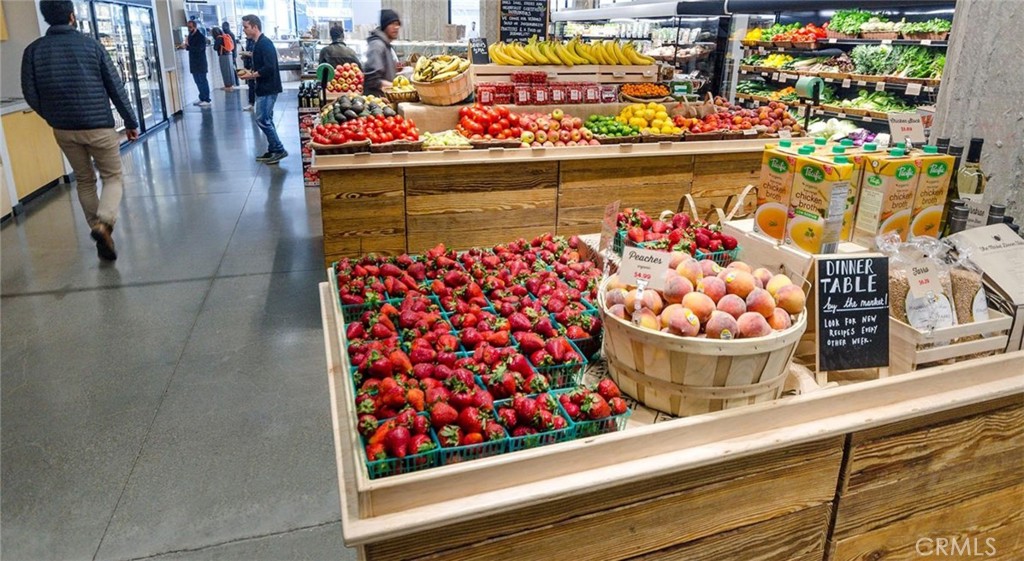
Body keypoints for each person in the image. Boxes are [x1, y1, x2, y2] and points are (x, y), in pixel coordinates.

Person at [22, 0, 139, 261]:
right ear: (72, 16)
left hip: (64, 129)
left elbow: (30, 92)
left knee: (85, 180)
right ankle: (104, 224)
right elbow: (115, 87)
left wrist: (52, 116)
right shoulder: (91, 45)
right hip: (99, 126)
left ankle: (98, 232)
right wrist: (131, 122)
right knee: (112, 177)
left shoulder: (33, 51)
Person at [237, 14, 286, 164]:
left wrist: (251, 75)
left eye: (246, 27)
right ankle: (272, 149)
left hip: (268, 87)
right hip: (263, 87)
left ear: (255, 27)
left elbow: (269, 67)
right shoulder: (258, 43)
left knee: (262, 119)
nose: (244, 30)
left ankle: (278, 149)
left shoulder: (265, 43)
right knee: (267, 118)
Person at [364, 9, 400, 97]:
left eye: (398, 24)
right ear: (384, 26)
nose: (396, 27)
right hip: (377, 103)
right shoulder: (377, 45)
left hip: (386, 100)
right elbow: (372, 80)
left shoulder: (386, 45)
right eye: (392, 24)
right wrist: (397, 88)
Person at [180, 20, 211, 106]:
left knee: (202, 81)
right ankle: (202, 97)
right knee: (197, 81)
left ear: (195, 27)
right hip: (193, 63)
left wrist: (187, 47)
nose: (189, 29)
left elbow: (199, 49)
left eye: (190, 27)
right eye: (188, 27)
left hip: (200, 63)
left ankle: (206, 98)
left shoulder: (200, 37)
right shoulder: (190, 36)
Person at [240, 34, 256, 111]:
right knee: (251, 85)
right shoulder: (248, 41)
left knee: (253, 85)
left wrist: (246, 54)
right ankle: (251, 103)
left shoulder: (255, 41)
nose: (244, 31)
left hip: (254, 65)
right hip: (248, 65)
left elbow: (254, 53)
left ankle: (252, 103)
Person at [222, 21, 240, 86]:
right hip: (232, 54)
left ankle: (236, 83)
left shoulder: (229, 34)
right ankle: (236, 83)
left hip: (231, 54)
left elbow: (234, 46)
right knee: (234, 68)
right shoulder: (229, 34)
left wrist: (234, 56)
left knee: (234, 69)